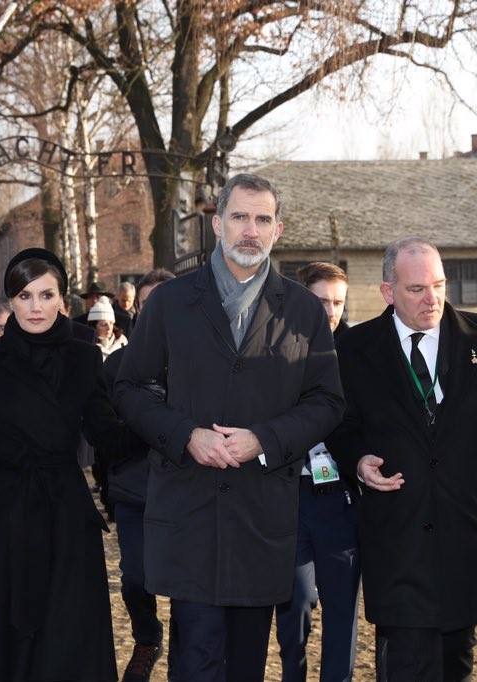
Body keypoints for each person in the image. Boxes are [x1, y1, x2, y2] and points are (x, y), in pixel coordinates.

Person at [115, 173, 345, 682]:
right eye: (239, 217)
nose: (250, 230)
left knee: (245, 665)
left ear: (278, 230)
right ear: (216, 224)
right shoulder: (171, 302)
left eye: (262, 219)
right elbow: (132, 388)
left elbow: (327, 401)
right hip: (189, 510)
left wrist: (265, 438)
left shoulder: (304, 311)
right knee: (194, 660)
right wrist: (186, 436)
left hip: (261, 516)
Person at [326, 236, 477, 681]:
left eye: (439, 285)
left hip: (467, 538)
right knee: (405, 665)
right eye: (417, 289)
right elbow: (339, 423)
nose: (431, 298)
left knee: (458, 664)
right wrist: (357, 461)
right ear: (388, 292)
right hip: (397, 538)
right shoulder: (355, 349)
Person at [0, 248, 126, 681]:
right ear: (10, 301)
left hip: (65, 519)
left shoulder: (83, 356)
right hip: (2, 520)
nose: (36, 307)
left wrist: (162, 423)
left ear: (62, 299)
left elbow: (106, 434)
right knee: (0, 648)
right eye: (25, 296)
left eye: (46, 295)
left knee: (66, 642)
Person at [276, 262, 361, 682]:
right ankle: (294, 673)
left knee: (342, 604)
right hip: (289, 494)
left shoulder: (359, 353)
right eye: (321, 300)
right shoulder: (274, 347)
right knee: (295, 599)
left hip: (340, 497)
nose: (330, 310)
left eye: (338, 302)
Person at [101, 268, 175, 682]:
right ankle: (148, 638)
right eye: (148, 305)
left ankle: (186, 652)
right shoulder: (115, 368)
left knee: (188, 587)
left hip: (190, 491)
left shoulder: (207, 361)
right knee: (135, 579)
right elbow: (106, 438)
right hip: (135, 489)